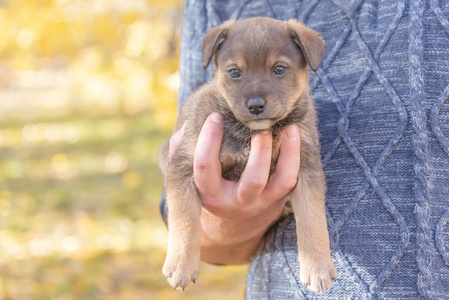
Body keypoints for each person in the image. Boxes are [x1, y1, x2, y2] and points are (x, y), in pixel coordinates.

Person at [161, 0, 449, 298]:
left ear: (306, 61)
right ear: (216, 66)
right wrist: (186, 245)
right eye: (236, 73)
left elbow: (308, 175)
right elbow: (181, 174)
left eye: (279, 70)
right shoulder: (207, 112)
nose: (256, 97)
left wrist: (315, 253)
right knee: (172, 157)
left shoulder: (300, 113)